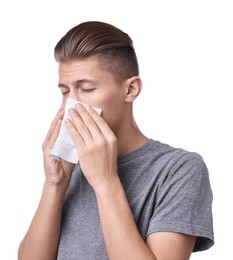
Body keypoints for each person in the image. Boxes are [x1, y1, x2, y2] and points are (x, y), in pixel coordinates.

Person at [18, 21, 214, 260]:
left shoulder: (179, 169)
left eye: (87, 89)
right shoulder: (70, 166)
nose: (71, 106)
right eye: (65, 92)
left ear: (130, 90)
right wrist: (55, 184)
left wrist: (105, 181)